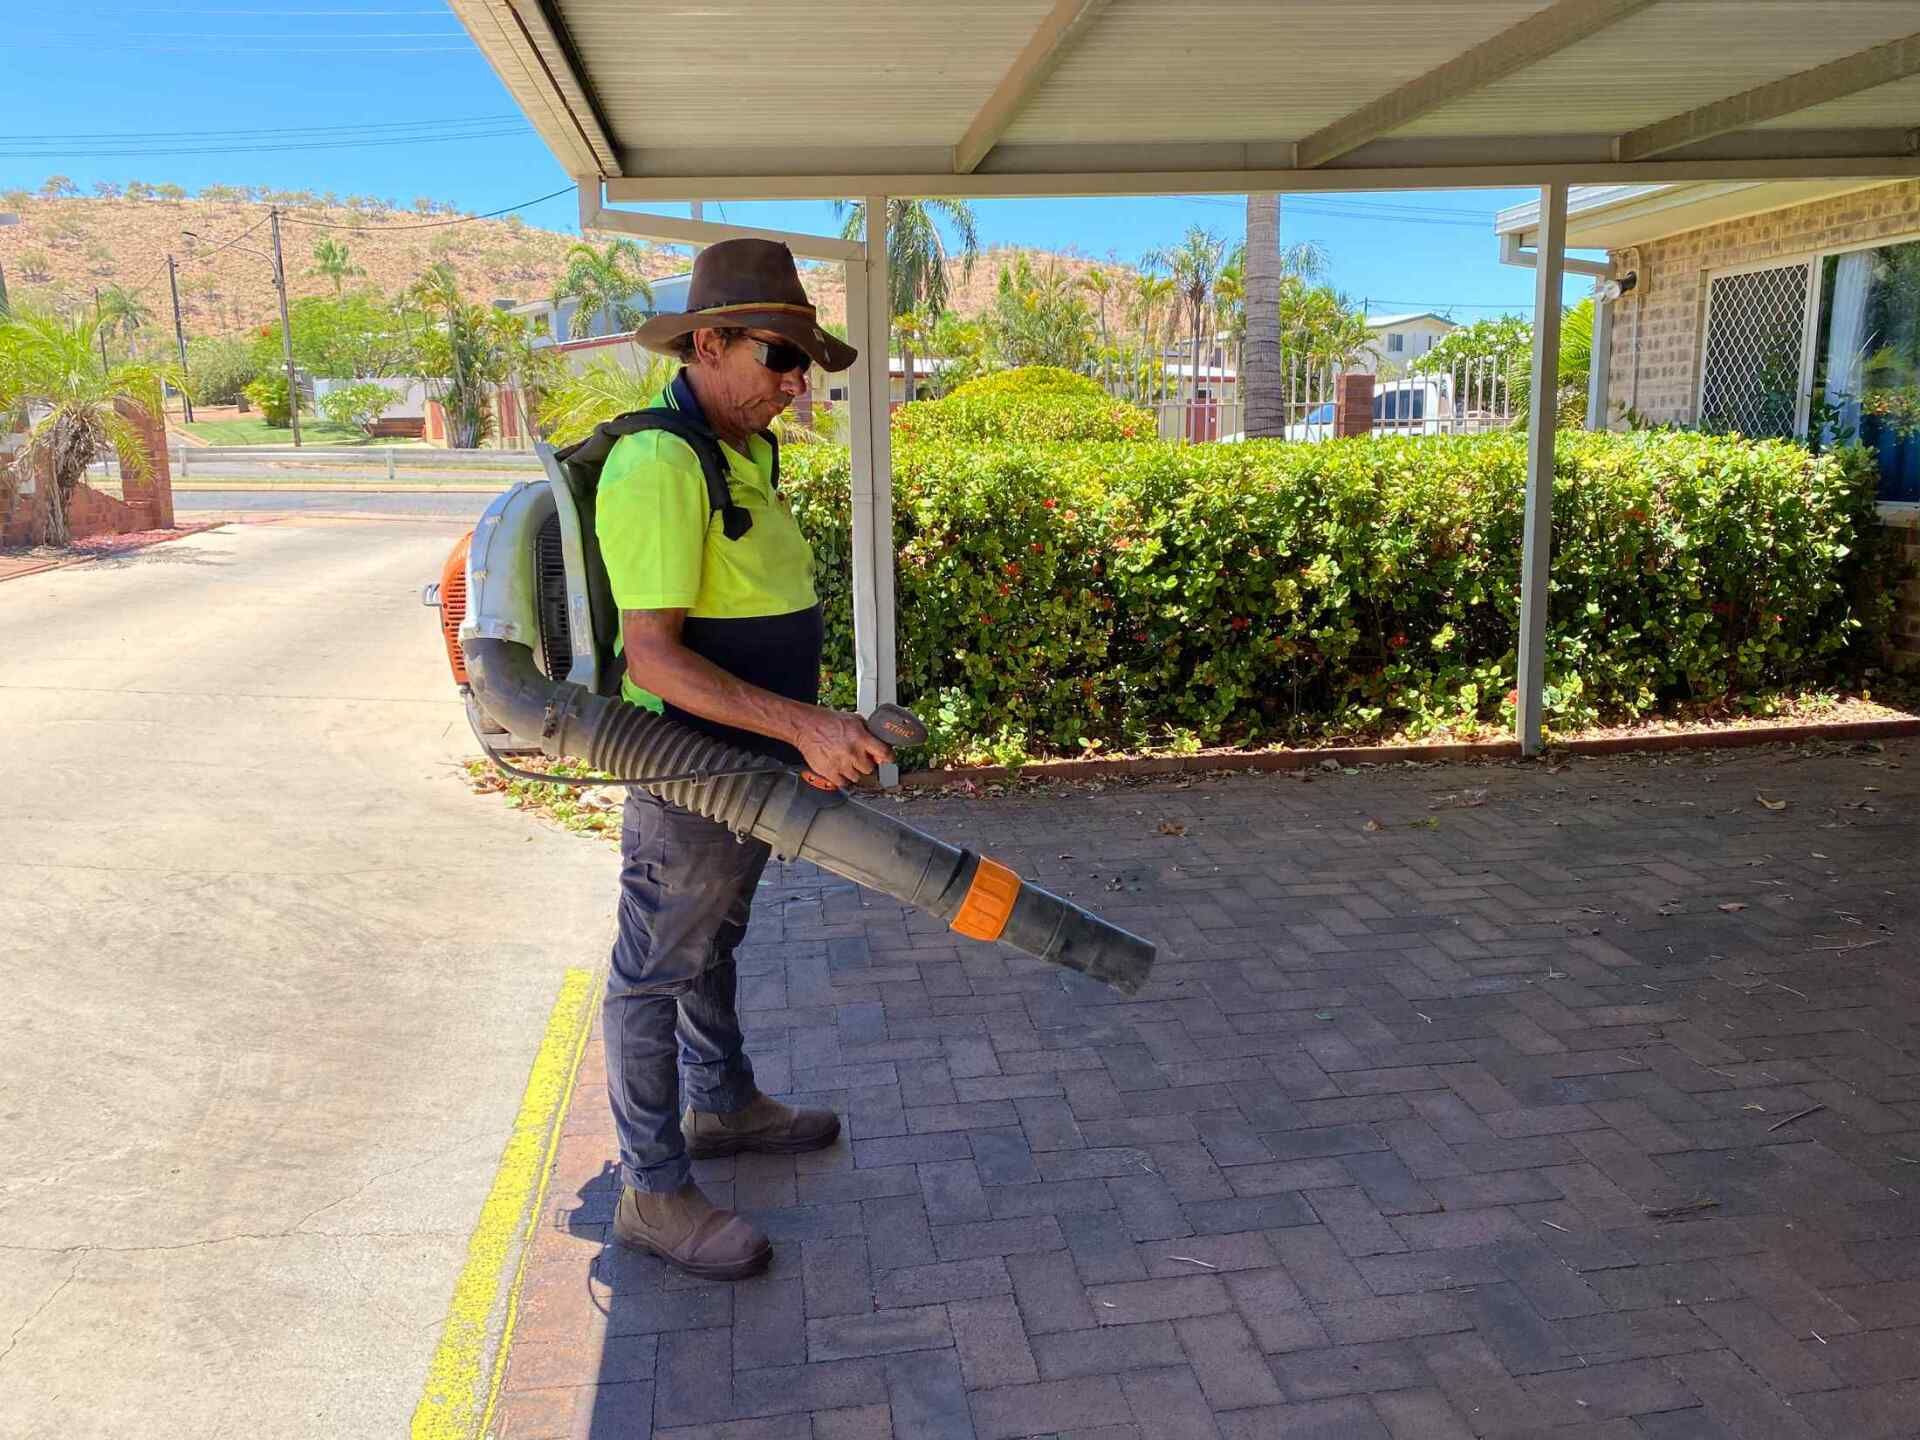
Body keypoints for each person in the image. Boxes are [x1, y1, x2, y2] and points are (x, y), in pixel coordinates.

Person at [593, 238, 892, 1280]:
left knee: (714, 940)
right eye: (779, 356)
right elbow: (654, 655)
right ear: (710, 343)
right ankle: (653, 1190)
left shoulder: (738, 452)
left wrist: (808, 721)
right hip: (692, 769)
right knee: (653, 972)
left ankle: (721, 1104)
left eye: (804, 361)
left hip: (748, 763)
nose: (796, 381)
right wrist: (806, 727)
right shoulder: (659, 461)